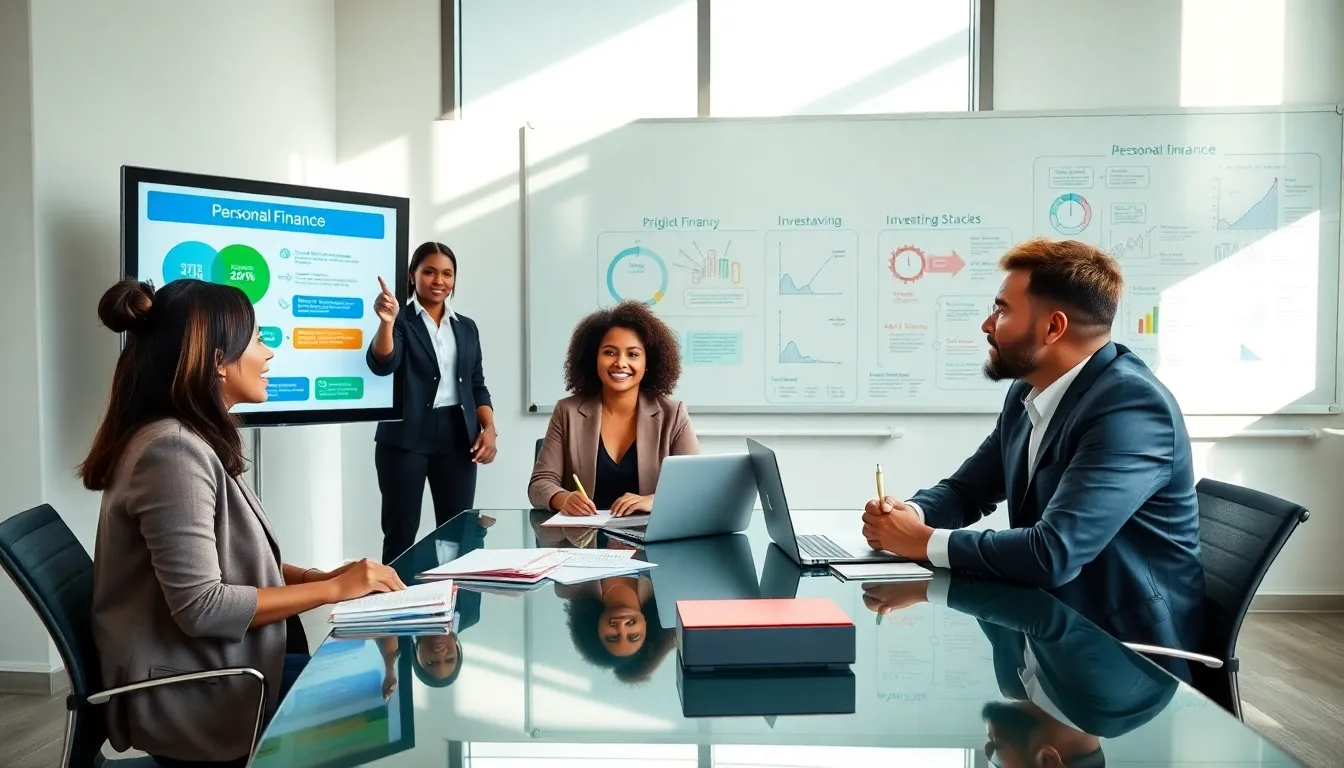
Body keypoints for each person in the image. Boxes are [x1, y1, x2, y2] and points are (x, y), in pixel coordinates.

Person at [82, 278, 406, 767]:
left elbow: (235, 563)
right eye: (257, 339)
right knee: (378, 706)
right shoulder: (172, 452)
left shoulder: (187, 439)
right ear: (217, 359)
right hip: (201, 696)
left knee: (370, 685)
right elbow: (203, 607)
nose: (268, 352)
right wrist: (333, 592)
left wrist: (324, 578)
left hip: (228, 670)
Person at [859, 237, 1205, 659]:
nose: (987, 325)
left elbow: (1053, 553)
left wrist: (925, 541)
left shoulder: (1130, 407)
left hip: (1119, 649)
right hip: (1047, 625)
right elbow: (968, 490)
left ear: (1053, 327)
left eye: (1002, 309)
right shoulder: (1030, 391)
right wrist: (910, 515)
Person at [863, 577, 1177, 767]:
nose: (988, 751)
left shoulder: (1017, 683)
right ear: (1048, 762)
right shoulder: (1114, 696)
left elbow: (986, 584)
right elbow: (1047, 613)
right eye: (999, 765)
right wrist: (926, 589)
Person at [367, 241, 497, 563]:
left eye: (447, 274)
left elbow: (477, 384)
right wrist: (386, 322)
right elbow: (384, 362)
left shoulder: (466, 327)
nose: (439, 280)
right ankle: (396, 607)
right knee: (401, 532)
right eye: (429, 272)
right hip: (405, 438)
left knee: (459, 531)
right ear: (412, 276)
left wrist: (489, 427)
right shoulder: (401, 320)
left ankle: (460, 611)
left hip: (457, 437)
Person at [528, 301, 699, 516]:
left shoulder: (673, 415)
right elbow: (540, 484)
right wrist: (564, 499)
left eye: (633, 354)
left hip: (650, 539)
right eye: (610, 352)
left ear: (648, 363)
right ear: (594, 358)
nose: (620, 362)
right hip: (583, 541)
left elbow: (693, 488)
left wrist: (652, 501)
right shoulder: (567, 411)